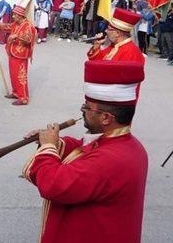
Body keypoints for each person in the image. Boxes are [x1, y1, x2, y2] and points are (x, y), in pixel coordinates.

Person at [23, 60, 147, 243]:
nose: (82, 111)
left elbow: (54, 184)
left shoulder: (110, 159)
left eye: (87, 108)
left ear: (106, 118)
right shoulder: (121, 143)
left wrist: (48, 147)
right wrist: (55, 142)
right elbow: (84, 148)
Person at [0, 0, 37, 105]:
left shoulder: (28, 26)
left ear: (20, 16)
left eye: (15, 15)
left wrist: (17, 36)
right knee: (13, 74)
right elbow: (7, 27)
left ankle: (23, 97)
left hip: (21, 54)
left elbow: (29, 39)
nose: (13, 17)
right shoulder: (16, 24)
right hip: (13, 52)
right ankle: (16, 92)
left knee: (20, 76)